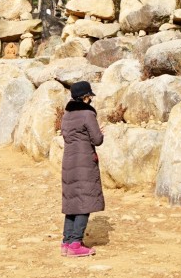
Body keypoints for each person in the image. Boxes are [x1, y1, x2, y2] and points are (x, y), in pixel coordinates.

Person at [60, 80, 104, 258]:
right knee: (84, 202)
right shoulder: (87, 115)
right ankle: (76, 244)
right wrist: (100, 133)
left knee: (72, 202)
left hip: (69, 162)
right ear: (85, 97)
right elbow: (97, 139)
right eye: (89, 97)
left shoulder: (66, 115)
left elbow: (67, 137)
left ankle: (66, 242)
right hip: (84, 162)